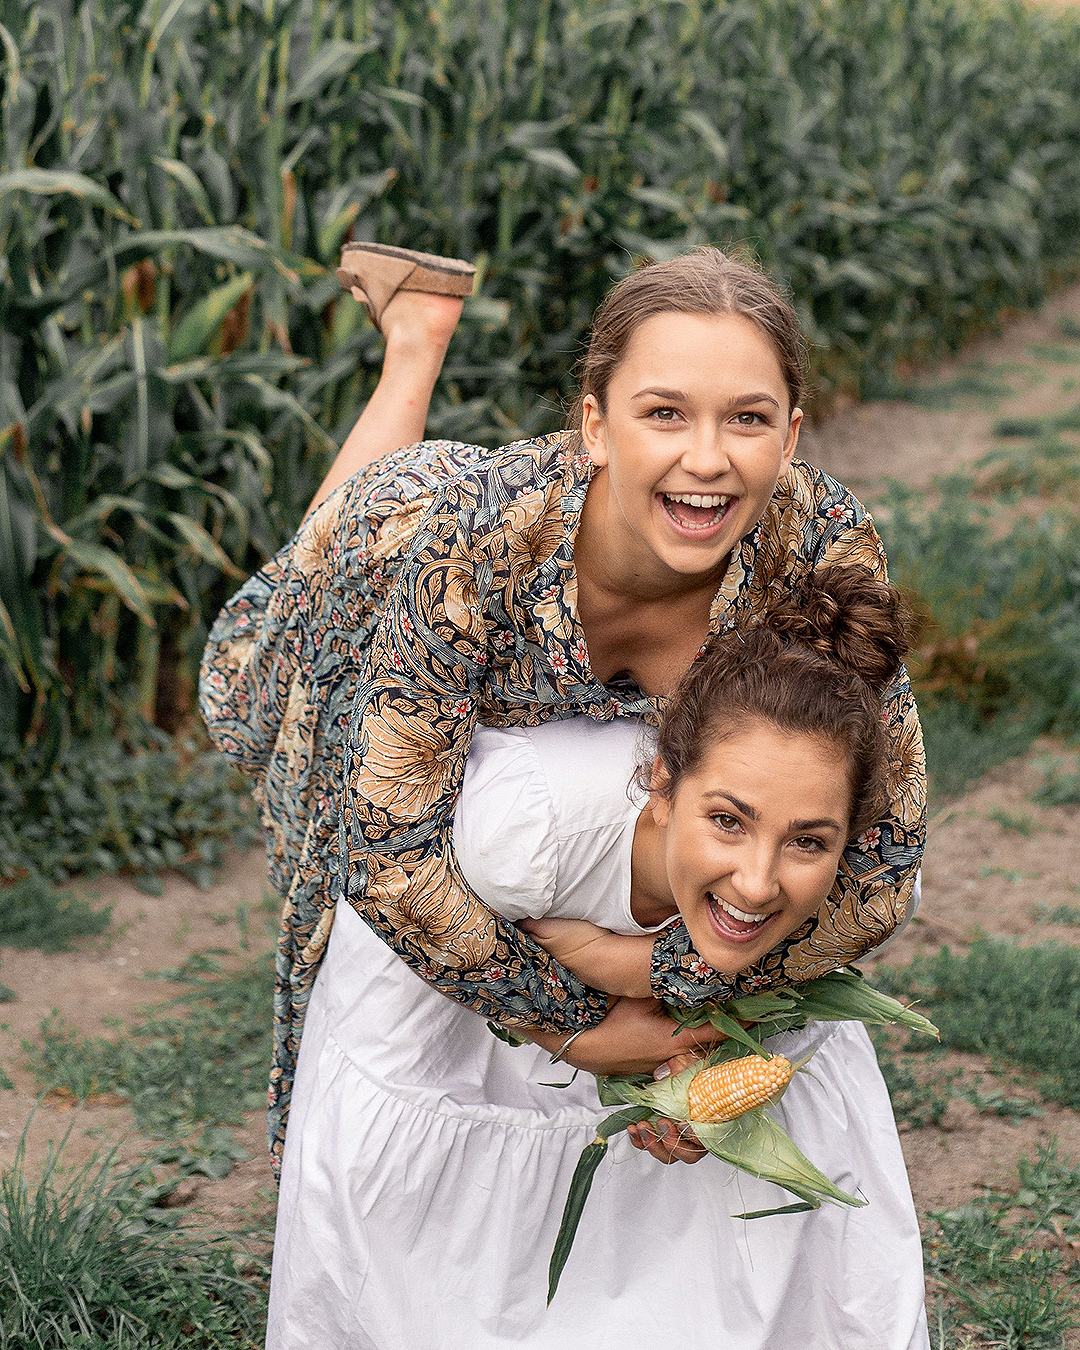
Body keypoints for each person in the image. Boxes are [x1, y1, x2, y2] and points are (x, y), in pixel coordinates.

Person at [199, 244, 926, 1172]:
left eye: (746, 418)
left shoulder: (821, 548)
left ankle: (423, 344)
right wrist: (576, 1028)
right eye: (663, 413)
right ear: (595, 424)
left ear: (790, 437)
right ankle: (416, 342)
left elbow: (888, 857)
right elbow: (386, 856)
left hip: (495, 559)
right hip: (399, 545)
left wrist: (652, 974)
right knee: (265, 677)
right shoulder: (472, 549)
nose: (706, 459)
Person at [265, 565, 929, 1350]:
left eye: (809, 840)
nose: (757, 878)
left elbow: (765, 961)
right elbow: (395, 898)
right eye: (727, 821)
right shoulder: (521, 833)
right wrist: (581, 1023)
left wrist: (662, 1042)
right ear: (661, 784)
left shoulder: (875, 888)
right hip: (446, 962)